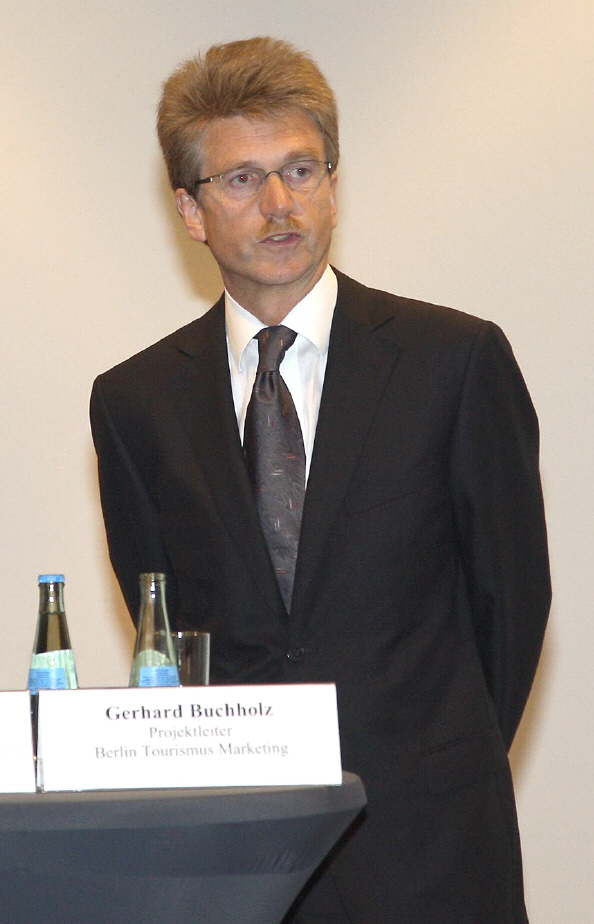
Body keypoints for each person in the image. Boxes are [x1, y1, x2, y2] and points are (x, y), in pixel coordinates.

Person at [90, 36, 551, 924]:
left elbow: (512, 601)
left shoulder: (454, 361)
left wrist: (434, 756)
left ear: (333, 187)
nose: (278, 204)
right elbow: (165, 630)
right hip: (240, 859)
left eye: (301, 171)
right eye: (241, 179)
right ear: (190, 210)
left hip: (434, 845)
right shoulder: (134, 401)